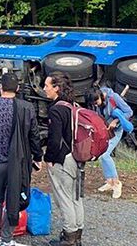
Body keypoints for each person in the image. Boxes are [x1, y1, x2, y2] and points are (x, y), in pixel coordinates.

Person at [0, 72, 43, 246]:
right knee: (14, 198)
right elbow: (34, 135)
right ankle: (7, 238)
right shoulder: (26, 108)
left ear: (0, 88)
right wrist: (38, 157)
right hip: (19, 163)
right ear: (18, 89)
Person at [43, 72, 84, 246]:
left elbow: (54, 138)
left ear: (56, 88)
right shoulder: (72, 105)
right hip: (77, 157)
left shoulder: (56, 109)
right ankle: (77, 234)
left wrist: (49, 158)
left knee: (64, 197)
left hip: (63, 159)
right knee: (76, 197)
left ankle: (69, 237)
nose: (44, 89)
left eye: (47, 86)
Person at [84, 86, 133, 199]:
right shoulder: (95, 102)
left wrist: (116, 120)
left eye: (96, 102)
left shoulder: (114, 98)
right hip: (104, 129)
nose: (95, 105)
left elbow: (129, 112)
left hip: (116, 130)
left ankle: (116, 183)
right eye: (93, 104)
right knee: (102, 155)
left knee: (105, 155)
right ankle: (109, 181)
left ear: (101, 96)